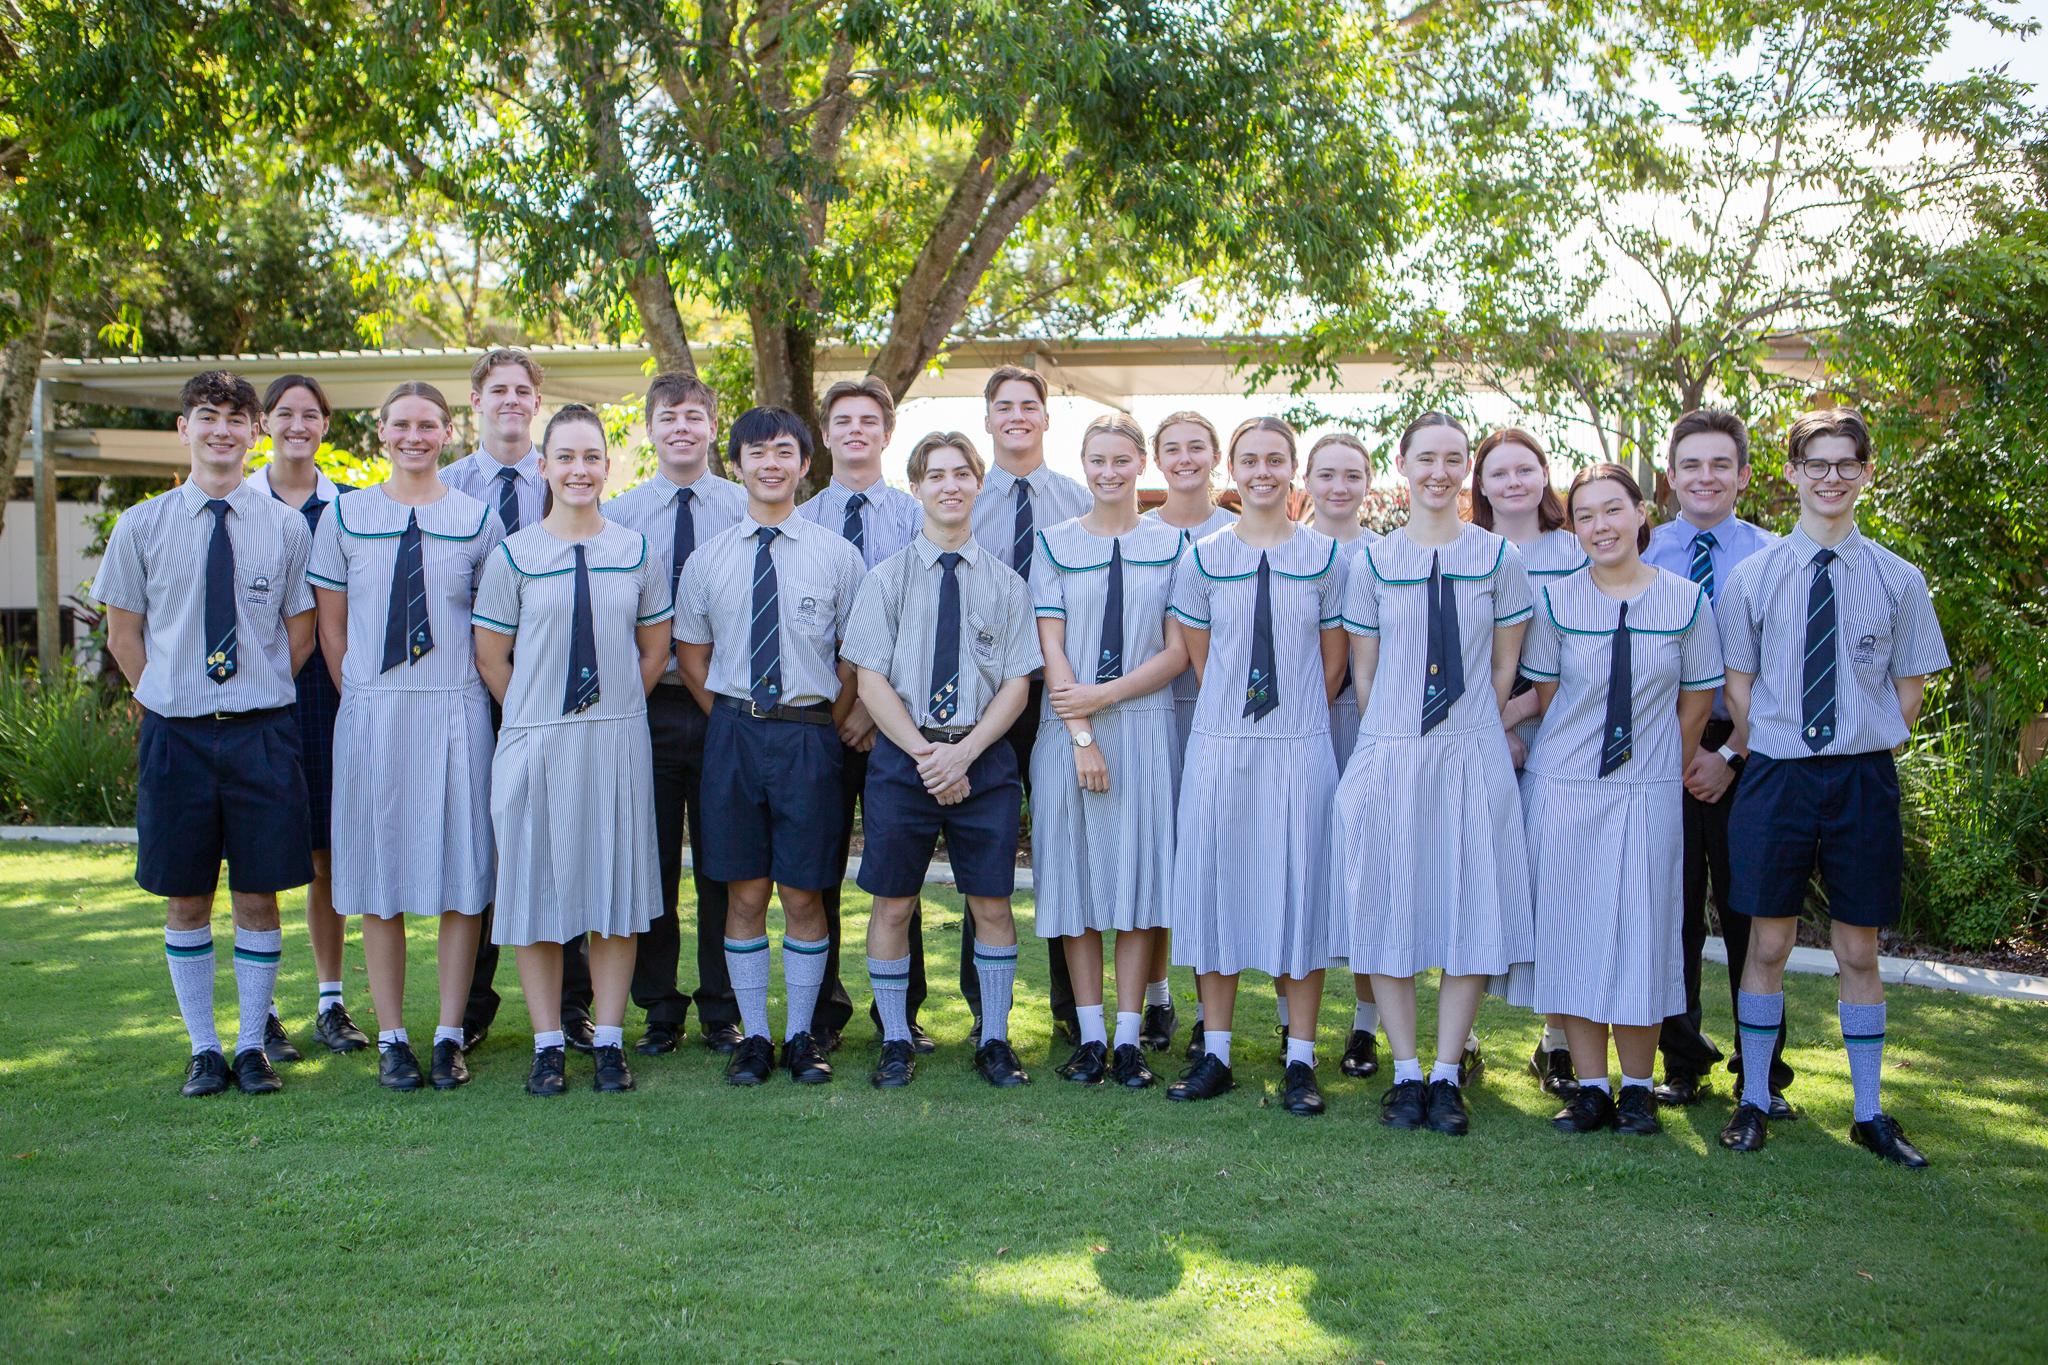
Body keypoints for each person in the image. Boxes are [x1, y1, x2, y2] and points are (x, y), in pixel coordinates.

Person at [1717, 408, 1948, 1166]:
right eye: (1816, 463)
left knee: (1858, 948)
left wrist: (1851, 739)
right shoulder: (1752, 579)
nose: (1831, 477)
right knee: (1769, 940)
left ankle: (1870, 1110)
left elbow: (1907, 694)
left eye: (1847, 463)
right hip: (1777, 775)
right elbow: (1739, 689)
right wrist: (1783, 741)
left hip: (1860, 778)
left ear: (1866, 472)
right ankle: (1753, 1098)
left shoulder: (1899, 579)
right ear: (1790, 474)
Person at [93, 371, 317, 1098]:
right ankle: (202, 1046)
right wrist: (168, 694)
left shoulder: (286, 527)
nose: (222, 430)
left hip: (260, 734)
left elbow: (300, 630)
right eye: (207, 416)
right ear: (183, 430)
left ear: (255, 432)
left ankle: (251, 1046)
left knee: (258, 892)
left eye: (236, 418)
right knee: (185, 896)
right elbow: (124, 635)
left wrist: (252, 690)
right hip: (176, 737)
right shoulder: (141, 526)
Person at [1333, 411, 1535, 1138]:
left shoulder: (1497, 558)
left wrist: (1473, 725)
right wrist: (1393, 740)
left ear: (1467, 472)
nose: (1440, 471)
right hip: (1392, 751)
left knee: (1467, 904)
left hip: (1471, 752)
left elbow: (1505, 665)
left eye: (1454, 458)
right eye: (1427, 458)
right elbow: (1364, 673)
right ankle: (1407, 1069)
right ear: (1404, 464)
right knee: (1388, 905)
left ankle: (1448, 1073)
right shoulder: (1374, 562)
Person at [471, 405, 673, 1096]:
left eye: (592, 456)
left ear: (606, 466)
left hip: (615, 738)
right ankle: (549, 1041)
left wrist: (607, 709)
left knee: (613, 889)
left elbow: (652, 651)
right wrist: (538, 717)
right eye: (567, 457)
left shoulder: (637, 551)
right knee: (534, 891)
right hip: (536, 742)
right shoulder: (515, 555)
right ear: (544, 466)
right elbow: (493, 657)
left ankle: (610, 1041)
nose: (580, 469)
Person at [1519, 464, 1722, 1136]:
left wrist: (1657, 760)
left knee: (1644, 931)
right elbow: (1550, 700)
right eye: (1585, 515)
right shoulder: (1556, 603)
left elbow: (1695, 703)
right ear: (1573, 527)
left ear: (1642, 515)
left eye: (1613, 510)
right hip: (1567, 787)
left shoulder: (1687, 602)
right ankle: (1592, 1087)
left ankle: (1638, 1087)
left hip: (1648, 790)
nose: (1600, 526)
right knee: (1574, 932)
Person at [309, 382, 502, 1091]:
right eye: (401, 424)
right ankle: (392, 1035)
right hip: (374, 709)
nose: (414, 435)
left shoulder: (477, 518)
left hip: (455, 708)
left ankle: (448, 1033)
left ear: (448, 432)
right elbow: (332, 626)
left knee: (461, 874)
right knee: (379, 876)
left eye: (428, 424)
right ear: (380, 433)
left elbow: (493, 625)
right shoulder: (346, 515)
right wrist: (361, 694)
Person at [843, 431, 1043, 1089]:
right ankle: (896, 1037)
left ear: (977, 484)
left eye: (963, 473)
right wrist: (929, 753)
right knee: (894, 904)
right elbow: (870, 678)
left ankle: (993, 1038)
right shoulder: (887, 579)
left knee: (991, 901)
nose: (950, 484)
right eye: (937, 474)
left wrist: (965, 753)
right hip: (906, 755)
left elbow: (1017, 684)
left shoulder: (1009, 586)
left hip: (982, 755)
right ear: (917, 486)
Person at [673, 406, 865, 1087]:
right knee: (745, 891)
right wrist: (733, 716)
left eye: (785, 451)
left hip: (809, 736)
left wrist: (825, 719)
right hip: (732, 734)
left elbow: (856, 657)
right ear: (738, 464)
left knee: (804, 890)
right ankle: (754, 1034)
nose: (771, 463)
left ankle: (802, 1034)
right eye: (758, 453)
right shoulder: (709, 559)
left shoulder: (837, 557)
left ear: (805, 464)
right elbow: (692, 656)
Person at [1164, 417, 1347, 1118]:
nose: (1262, 470)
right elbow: (1203, 657)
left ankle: (1300, 1058)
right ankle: (1215, 1050)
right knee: (1219, 887)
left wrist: (1290, 717)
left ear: (1292, 469)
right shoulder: (1203, 557)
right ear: (1230, 470)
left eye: (1275, 459)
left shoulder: (1327, 558)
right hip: (1223, 744)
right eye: (1249, 460)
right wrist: (1240, 718)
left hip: (1301, 746)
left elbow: (1332, 663)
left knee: (1298, 888)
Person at [1030, 413, 1189, 1089]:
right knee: (1077, 882)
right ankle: (1090, 1037)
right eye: (1098, 460)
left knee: (1136, 884)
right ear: (1085, 463)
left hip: (1147, 726)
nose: (1109, 472)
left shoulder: (1174, 546)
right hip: (1068, 729)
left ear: (1140, 465)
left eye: (1122, 460)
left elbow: (1179, 649)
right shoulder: (1055, 543)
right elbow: (1052, 644)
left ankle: (1129, 1038)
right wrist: (1084, 731)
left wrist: (1107, 696)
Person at [442, 348, 593, 1051]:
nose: (510, 399)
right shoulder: (441, 489)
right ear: (474, 401)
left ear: (537, 400)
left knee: (565, 848)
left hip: (561, 702)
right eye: (495, 388)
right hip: (469, 695)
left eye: (521, 389)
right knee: (480, 847)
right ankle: (469, 1005)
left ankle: (571, 1006)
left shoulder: (568, 477)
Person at [601, 372, 749, 1057]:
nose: (682, 427)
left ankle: (724, 1004)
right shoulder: (621, 514)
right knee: (651, 858)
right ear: (651, 428)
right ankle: (659, 1004)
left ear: (714, 426)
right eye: (669, 416)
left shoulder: (746, 507)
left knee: (723, 857)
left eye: (695, 415)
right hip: (648, 705)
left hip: (725, 705)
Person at [1641, 409, 1780, 1110]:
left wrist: (1728, 750)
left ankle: (1764, 1074)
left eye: (1720, 464)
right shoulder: (1645, 551)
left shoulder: (1775, 554)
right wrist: (1685, 749)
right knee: (1675, 912)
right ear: (1671, 477)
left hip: (1752, 754)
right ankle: (1682, 1060)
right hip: (1665, 751)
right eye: (1691, 464)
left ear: (1743, 475)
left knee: (1754, 911)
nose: (1705, 476)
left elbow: (1784, 671)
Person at [796, 377, 933, 1053]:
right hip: (822, 719)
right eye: (843, 420)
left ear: (887, 433)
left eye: (868, 420)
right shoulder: (802, 518)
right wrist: (846, 705)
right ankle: (822, 1009)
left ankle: (900, 1014)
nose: (856, 430)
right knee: (816, 866)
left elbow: (922, 623)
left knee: (897, 868)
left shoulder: (915, 516)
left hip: (898, 720)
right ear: (825, 434)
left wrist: (880, 714)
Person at [968, 364, 1090, 1044]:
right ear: (988, 419)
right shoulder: (959, 496)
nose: (1016, 415)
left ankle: (1077, 1009)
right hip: (984, 699)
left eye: (1029, 405)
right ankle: (988, 1011)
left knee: (1068, 848)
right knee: (981, 853)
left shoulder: (1078, 500)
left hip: (1058, 692)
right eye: (1003, 406)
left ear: (1046, 418)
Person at [249, 374, 365, 1061]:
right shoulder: (239, 502)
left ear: (326, 424)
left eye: (310, 413)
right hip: (253, 700)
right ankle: (259, 1012)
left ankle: (329, 999)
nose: (297, 423)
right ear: (266, 422)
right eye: (284, 412)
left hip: (328, 691)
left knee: (327, 849)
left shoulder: (351, 509)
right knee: (260, 852)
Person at [1472, 425, 1588, 1097]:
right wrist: (1493, 726)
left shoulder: (1576, 553)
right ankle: (1461, 1037)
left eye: (1526, 469)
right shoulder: (1467, 551)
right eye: (1499, 471)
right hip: (1476, 737)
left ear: (1546, 478)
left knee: (1552, 886)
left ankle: (1558, 1042)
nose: (1514, 482)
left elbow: (1583, 656)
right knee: (1478, 879)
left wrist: (1516, 718)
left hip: (1559, 737)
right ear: (1481, 485)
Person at [1141, 411, 1235, 1057]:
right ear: (1156, 458)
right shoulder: (1138, 531)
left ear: (1216, 456)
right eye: (1171, 448)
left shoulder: (1239, 532)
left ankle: (1212, 1013)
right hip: (1151, 709)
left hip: (1224, 718)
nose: (1184, 457)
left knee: (1207, 859)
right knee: (1157, 854)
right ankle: (1154, 998)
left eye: (1196, 446)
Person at [1303, 432, 1385, 1082]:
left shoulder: (1386, 557)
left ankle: (1365, 1026)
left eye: (1351, 474)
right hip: (1292, 729)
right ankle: (1289, 1021)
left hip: (1363, 721)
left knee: (1367, 876)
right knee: (1296, 869)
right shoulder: (1286, 548)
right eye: (1326, 473)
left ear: (1368, 482)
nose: (1338, 486)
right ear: (1306, 479)